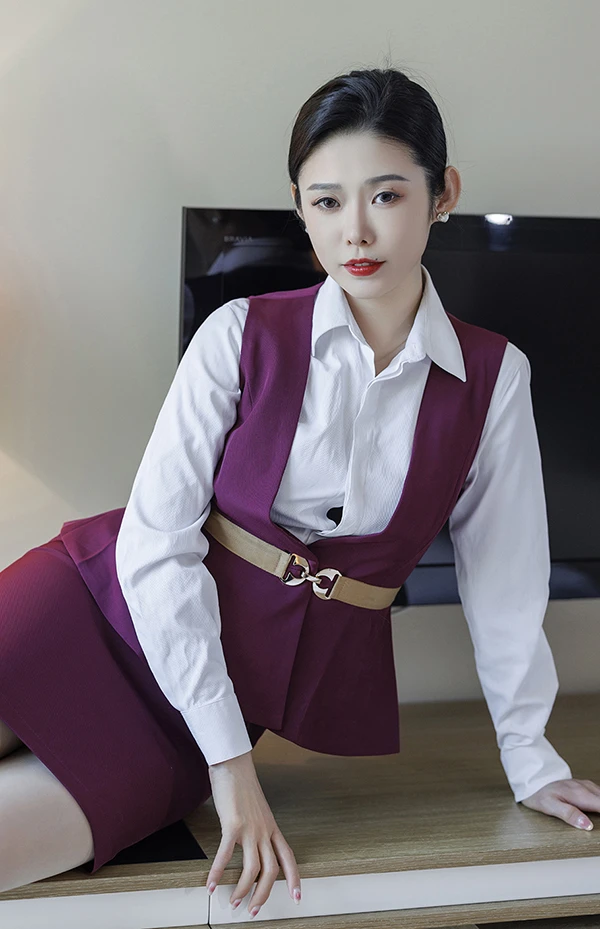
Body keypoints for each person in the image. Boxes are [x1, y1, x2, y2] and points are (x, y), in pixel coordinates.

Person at [0, 66, 598, 915]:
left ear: (443, 194)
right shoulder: (237, 335)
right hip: (89, 612)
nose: (355, 229)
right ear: (300, 208)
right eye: (326, 201)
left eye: (386, 195)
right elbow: (156, 542)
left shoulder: (494, 379)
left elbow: (505, 581)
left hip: (195, 723)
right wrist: (233, 769)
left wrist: (531, 758)